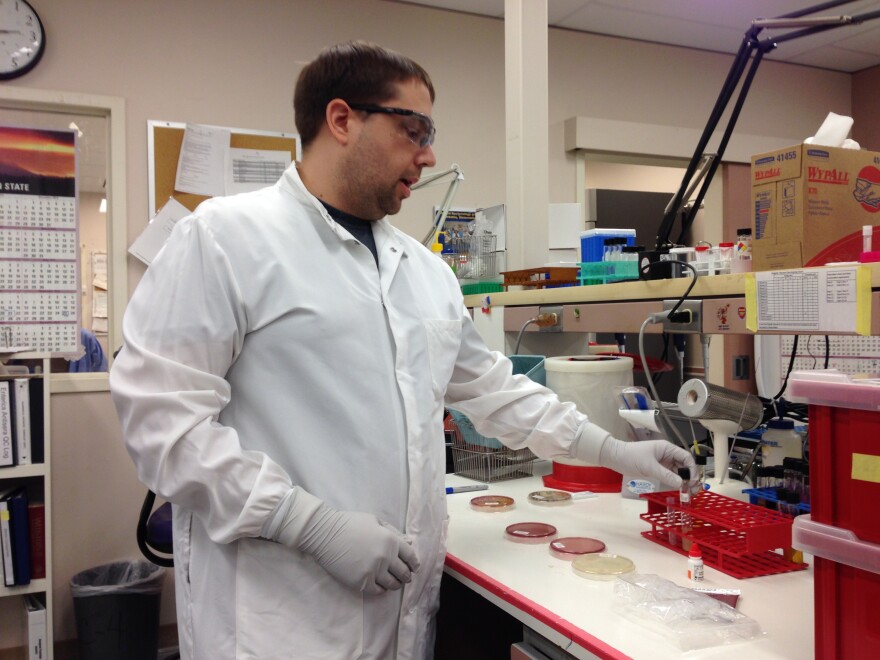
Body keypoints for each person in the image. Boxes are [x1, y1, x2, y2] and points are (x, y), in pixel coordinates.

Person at [110, 41, 694, 660]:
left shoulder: (425, 272)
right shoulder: (226, 239)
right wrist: (310, 523)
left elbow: (495, 391)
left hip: (403, 613)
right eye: (413, 129)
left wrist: (612, 450)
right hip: (277, 616)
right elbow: (162, 423)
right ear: (342, 120)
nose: (430, 154)